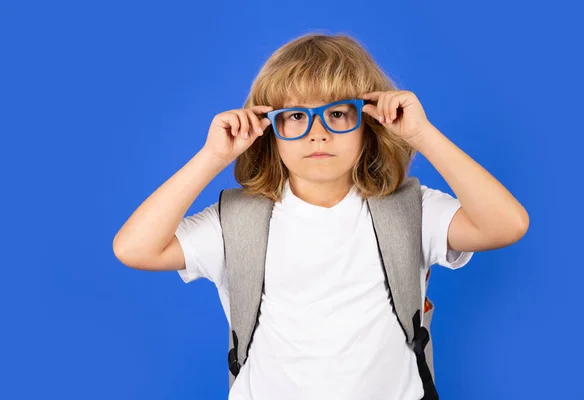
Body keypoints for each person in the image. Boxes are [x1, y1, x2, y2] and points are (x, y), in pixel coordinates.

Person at [113, 32, 529, 400]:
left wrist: (422, 134)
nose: (318, 132)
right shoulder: (238, 220)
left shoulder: (411, 208)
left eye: (337, 113)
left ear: (368, 122)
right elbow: (135, 248)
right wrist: (211, 157)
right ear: (268, 129)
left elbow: (507, 225)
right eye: (295, 115)